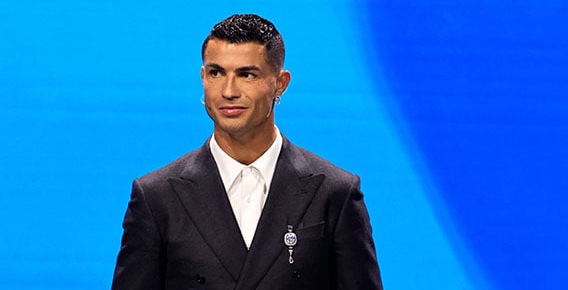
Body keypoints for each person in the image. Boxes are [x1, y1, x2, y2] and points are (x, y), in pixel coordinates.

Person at [112, 14, 382, 289]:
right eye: (216, 73)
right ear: (203, 78)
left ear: (280, 83)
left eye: (247, 75)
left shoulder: (334, 192)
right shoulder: (157, 197)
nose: (228, 91)